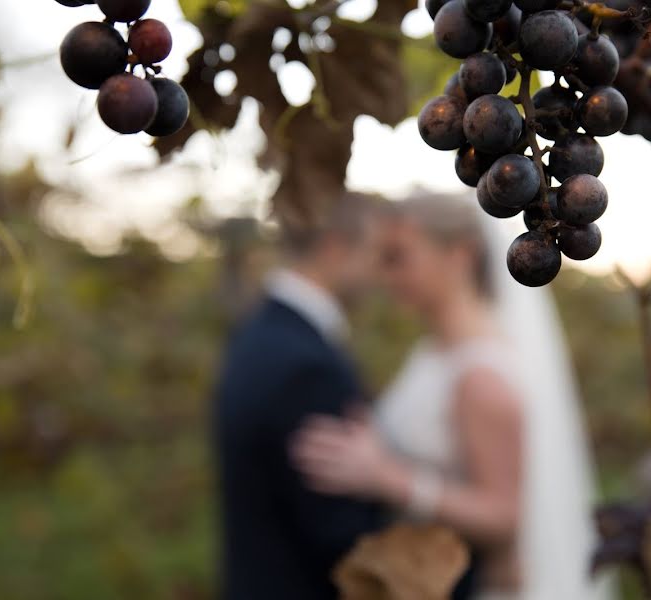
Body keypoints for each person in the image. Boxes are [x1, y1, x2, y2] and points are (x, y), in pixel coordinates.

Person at [291, 194, 615, 600]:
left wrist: (387, 478)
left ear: (459, 253)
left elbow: (504, 516)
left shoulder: (482, 375)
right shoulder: (435, 352)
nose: (385, 274)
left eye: (398, 256)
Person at [213, 193, 385, 600]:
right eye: (375, 253)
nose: (379, 272)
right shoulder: (306, 366)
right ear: (336, 247)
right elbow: (338, 534)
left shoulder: (261, 332)